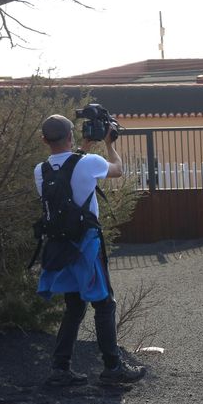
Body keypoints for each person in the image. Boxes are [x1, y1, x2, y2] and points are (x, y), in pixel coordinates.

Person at [34, 114, 146, 386]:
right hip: (87, 243)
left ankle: (60, 369)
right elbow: (117, 169)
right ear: (71, 137)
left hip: (60, 245)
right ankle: (112, 368)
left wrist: (83, 146)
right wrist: (108, 144)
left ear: (44, 140)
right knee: (104, 303)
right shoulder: (89, 163)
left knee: (74, 306)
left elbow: (67, 170)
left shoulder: (40, 171)